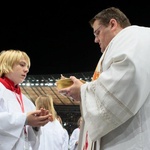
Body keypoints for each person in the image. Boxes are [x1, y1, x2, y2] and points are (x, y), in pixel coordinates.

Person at [58, 6, 150, 150]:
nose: (95, 40)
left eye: (97, 32)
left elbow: (126, 80)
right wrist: (86, 88)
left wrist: (83, 91)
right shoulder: (125, 42)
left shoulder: (133, 36)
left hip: (131, 140)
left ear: (113, 24)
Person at [0, 49, 51, 150]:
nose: (26, 69)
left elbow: (28, 136)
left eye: (27, 66)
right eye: (22, 65)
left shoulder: (25, 100)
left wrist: (36, 125)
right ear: (7, 65)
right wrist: (24, 119)